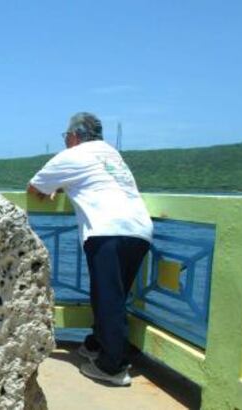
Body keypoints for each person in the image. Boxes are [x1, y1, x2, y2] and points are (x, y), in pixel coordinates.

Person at [27, 112, 153, 386]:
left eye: (66, 137)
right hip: (140, 230)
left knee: (108, 299)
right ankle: (97, 344)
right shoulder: (111, 154)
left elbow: (34, 187)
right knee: (112, 296)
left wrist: (54, 189)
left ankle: (113, 367)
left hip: (108, 230)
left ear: (73, 136)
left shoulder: (74, 155)